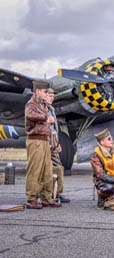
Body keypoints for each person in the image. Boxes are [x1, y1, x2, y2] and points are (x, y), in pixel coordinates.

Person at [25, 80, 61, 209]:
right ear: (38, 91)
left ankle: (47, 197)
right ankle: (31, 198)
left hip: (45, 139)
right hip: (35, 140)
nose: (47, 94)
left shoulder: (43, 104)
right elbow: (30, 115)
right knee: (35, 170)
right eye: (46, 92)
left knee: (47, 170)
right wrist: (46, 117)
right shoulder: (31, 103)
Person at [45, 88, 70, 203]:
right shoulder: (41, 109)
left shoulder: (52, 109)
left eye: (53, 96)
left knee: (59, 167)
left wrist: (58, 142)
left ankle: (57, 192)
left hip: (53, 140)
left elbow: (55, 128)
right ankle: (47, 194)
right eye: (49, 95)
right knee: (46, 169)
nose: (52, 98)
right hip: (45, 141)